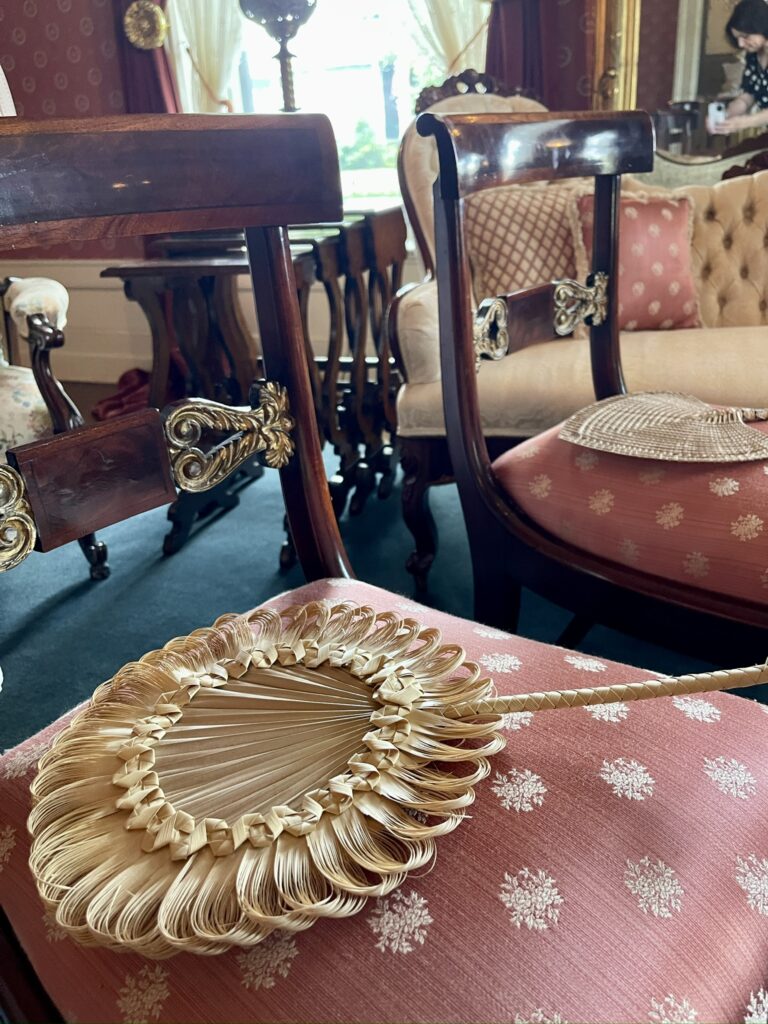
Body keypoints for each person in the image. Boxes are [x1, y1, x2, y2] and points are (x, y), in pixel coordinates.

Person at [711, 0, 768, 134]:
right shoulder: (753, 56)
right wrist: (727, 115)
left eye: (745, 36)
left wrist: (744, 122)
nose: (741, 44)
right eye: (737, 38)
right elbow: (748, 96)